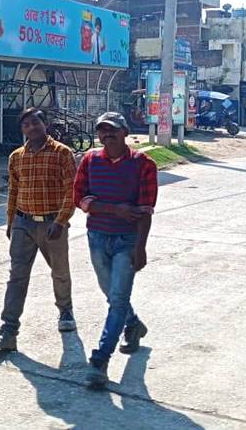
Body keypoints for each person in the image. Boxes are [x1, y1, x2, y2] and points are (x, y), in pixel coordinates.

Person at [0, 108, 78, 352]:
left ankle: (65, 312)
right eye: (26, 125)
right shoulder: (16, 157)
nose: (31, 128)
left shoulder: (61, 153)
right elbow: (14, 191)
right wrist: (11, 222)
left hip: (52, 223)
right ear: (22, 129)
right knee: (17, 277)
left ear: (45, 124)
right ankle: (8, 329)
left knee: (59, 271)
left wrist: (61, 221)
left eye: (36, 123)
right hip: (23, 223)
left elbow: (72, 191)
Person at [73, 111, 157, 388]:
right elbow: (79, 198)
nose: (107, 136)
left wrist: (141, 248)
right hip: (97, 236)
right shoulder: (90, 160)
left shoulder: (144, 164)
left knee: (118, 298)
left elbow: (145, 210)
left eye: (112, 130)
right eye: (102, 131)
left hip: (128, 240)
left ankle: (100, 359)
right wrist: (113, 209)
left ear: (125, 133)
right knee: (110, 292)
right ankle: (132, 325)